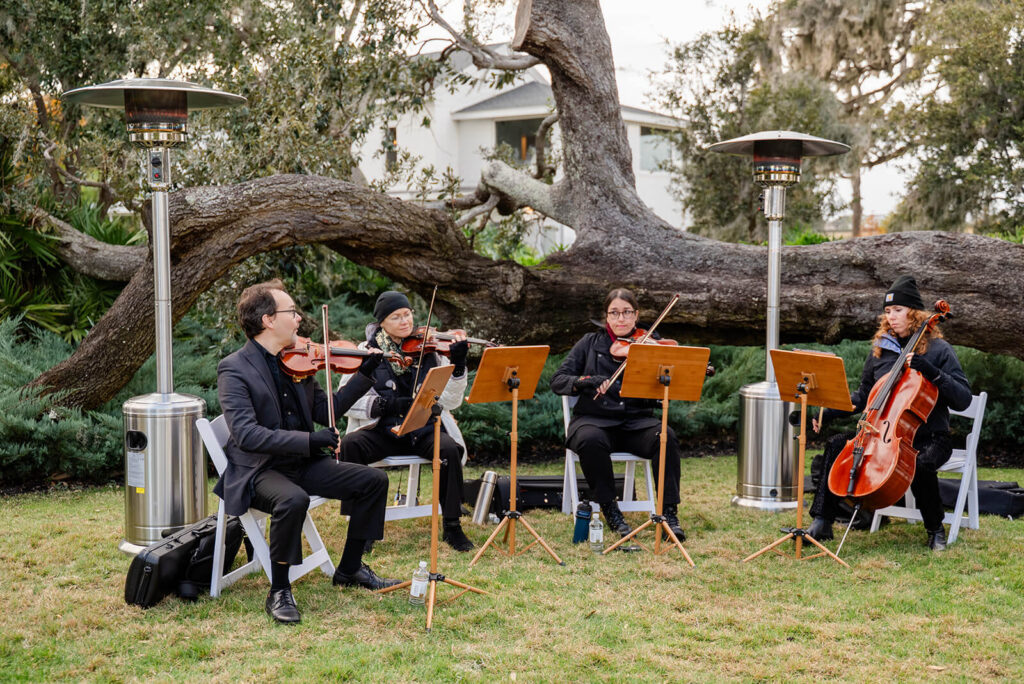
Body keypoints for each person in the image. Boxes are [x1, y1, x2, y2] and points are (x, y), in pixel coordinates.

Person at [215, 279, 399, 625]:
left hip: (300, 463)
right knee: (293, 500)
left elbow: (326, 410)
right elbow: (247, 434)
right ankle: (279, 590)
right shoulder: (234, 368)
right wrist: (309, 441)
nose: (299, 319)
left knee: (372, 481)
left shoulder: (297, 361)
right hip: (259, 469)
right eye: (291, 312)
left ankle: (349, 569)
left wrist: (364, 376)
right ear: (268, 320)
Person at [807, 275, 972, 551]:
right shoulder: (880, 352)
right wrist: (827, 412)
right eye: (887, 311)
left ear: (915, 314)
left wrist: (930, 371)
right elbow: (863, 397)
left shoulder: (938, 350)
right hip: (882, 433)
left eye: (898, 310)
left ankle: (935, 530)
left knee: (919, 462)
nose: (891, 316)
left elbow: (963, 398)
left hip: (931, 436)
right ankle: (822, 523)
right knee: (837, 444)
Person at [338, 291, 475, 552]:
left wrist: (458, 366)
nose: (405, 321)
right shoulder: (366, 351)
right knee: (351, 445)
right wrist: (384, 405)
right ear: (382, 324)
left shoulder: (431, 350)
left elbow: (452, 401)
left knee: (447, 449)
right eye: (396, 316)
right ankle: (361, 528)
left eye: (408, 314)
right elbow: (346, 400)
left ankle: (453, 525)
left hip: (421, 429)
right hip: (381, 430)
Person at [550, 287, 687, 542]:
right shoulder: (590, 343)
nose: (621, 319)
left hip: (636, 423)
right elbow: (558, 380)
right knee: (590, 441)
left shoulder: (649, 343)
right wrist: (587, 380)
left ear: (636, 315)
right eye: (615, 313)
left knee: (664, 436)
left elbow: (673, 378)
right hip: (594, 420)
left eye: (626, 312)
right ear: (606, 317)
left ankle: (669, 513)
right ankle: (611, 510)